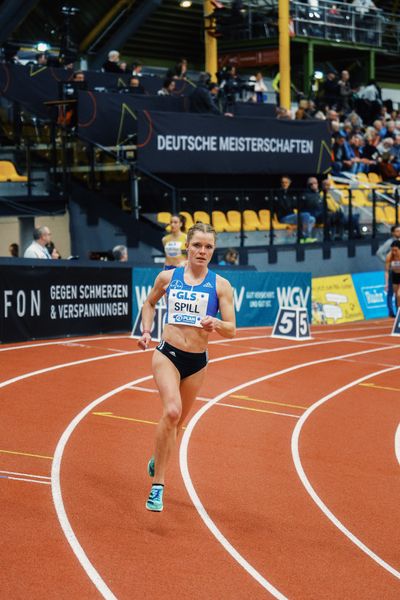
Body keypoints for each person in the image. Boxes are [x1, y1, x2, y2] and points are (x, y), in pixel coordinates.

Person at [137, 222, 236, 512]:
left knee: (177, 426)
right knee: (171, 411)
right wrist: (146, 330)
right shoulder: (168, 277)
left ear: (213, 250)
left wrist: (216, 323)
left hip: (197, 362)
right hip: (167, 354)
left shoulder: (221, 286)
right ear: (187, 247)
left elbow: (232, 330)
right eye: (197, 245)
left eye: (208, 247)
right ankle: (158, 485)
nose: (202, 251)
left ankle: (158, 456)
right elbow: (150, 303)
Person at [376, 224, 400, 317]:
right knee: (391, 291)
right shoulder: (390, 242)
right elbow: (379, 252)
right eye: (397, 231)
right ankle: (391, 312)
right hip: (393, 270)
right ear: (393, 233)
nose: (399, 233)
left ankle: (398, 311)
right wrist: (388, 262)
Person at [384, 240, 400, 316]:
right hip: (395, 275)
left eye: (396, 250)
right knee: (396, 295)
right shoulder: (389, 256)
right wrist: (386, 283)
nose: (394, 252)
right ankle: (397, 313)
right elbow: (386, 271)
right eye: (392, 250)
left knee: (399, 294)